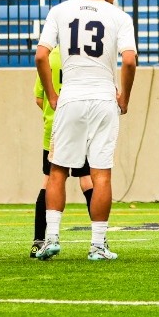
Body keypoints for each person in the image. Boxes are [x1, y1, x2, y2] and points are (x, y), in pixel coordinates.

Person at [36, 0, 138, 262]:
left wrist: (53, 93)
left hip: (71, 98)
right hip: (103, 97)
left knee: (57, 170)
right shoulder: (118, 16)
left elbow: (41, 56)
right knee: (101, 174)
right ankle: (97, 245)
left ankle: (51, 239)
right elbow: (130, 60)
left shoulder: (59, 11)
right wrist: (125, 98)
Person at [30, 44, 96, 258]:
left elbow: (39, 97)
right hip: (82, 125)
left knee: (49, 180)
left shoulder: (50, 57)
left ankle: (39, 241)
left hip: (55, 127)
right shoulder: (86, 56)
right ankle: (98, 240)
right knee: (87, 179)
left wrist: (53, 111)